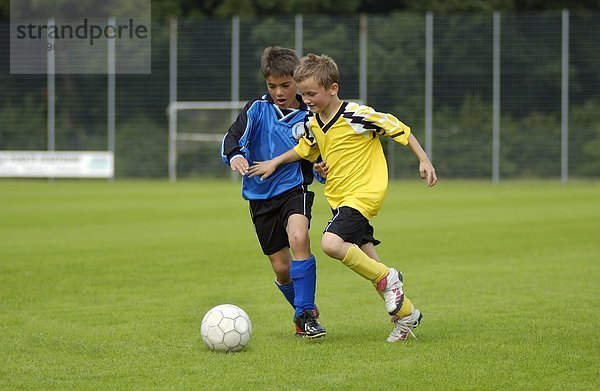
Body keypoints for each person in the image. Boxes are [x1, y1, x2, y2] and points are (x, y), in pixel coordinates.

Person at [248, 53, 437, 342]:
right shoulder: (314, 123)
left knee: (331, 243)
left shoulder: (356, 114)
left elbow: (398, 128)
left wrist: (423, 160)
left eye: (312, 94)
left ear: (333, 88)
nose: (307, 99)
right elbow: (305, 150)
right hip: (340, 200)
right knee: (369, 263)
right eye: (303, 94)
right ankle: (406, 314)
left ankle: (390, 278)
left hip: (363, 195)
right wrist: (276, 162)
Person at [220, 47, 326, 339]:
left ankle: (305, 313)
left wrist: (321, 170)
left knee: (299, 236)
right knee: (282, 268)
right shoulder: (256, 109)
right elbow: (231, 138)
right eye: (272, 86)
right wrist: (235, 156)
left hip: (294, 189)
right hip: (260, 197)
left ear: (297, 81)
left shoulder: (311, 117)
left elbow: (318, 157)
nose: (279, 92)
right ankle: (305, 314)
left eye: (285, 85)